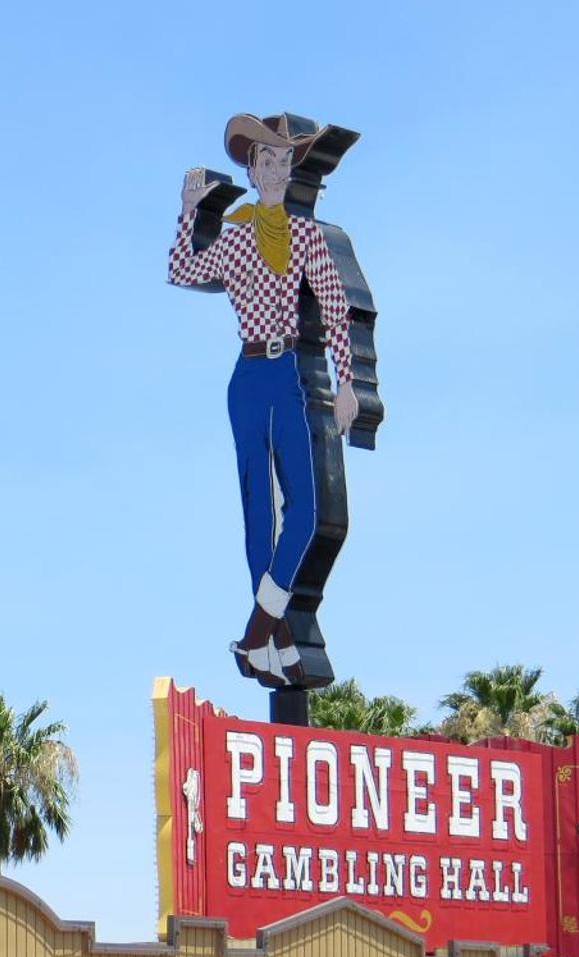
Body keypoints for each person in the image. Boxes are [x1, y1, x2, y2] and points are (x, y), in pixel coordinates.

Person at [168, 113, 359, 686]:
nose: (275, 169)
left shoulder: (305, 237)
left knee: (305, 508)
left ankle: (256, 634)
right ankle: (273, 650)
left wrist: (346, 382)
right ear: (251, 171)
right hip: (247, 378)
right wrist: (187, 212)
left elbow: (334, 306)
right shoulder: (234, 237)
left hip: (286, 374)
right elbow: (180, 270)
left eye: (283, 160)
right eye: (266, 160)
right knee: (258, 509)